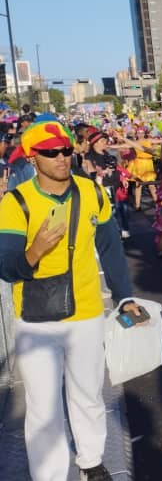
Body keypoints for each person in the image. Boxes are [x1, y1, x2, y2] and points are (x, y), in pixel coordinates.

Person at [0, 118, 143, 481]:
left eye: (65, 150)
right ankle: (49, 475)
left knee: (89, 394)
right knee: (43, 407)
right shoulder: (16, 202)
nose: (62, 157)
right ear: (33, 159)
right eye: (51, 153)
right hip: (36, 320)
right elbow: (6, 267)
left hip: (87, 313)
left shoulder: (92, 192)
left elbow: (110, 250)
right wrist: (34, 252)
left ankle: (92, 461)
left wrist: (125, 297)